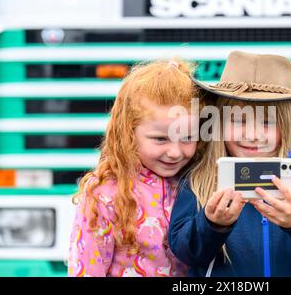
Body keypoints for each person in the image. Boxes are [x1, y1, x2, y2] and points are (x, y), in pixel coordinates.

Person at [168, 50, 291, 277]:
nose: (253, 134)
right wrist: (212, 224)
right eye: (238, 120)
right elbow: (184, 252)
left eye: (267, 122)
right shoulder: (200, 178)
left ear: (286, 125)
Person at [68, 59, 200, 277]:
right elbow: (87, 270)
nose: (175, 152)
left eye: (187, 137)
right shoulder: (104, 194)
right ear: (128, 133)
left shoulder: (197, 184)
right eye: (160, 139)